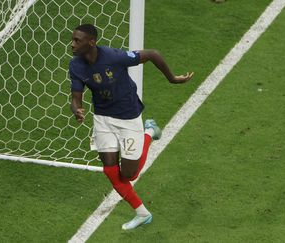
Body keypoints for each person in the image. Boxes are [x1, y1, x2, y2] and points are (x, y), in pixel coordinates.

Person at [69, 24, 193, 230]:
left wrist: (172, 79)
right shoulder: (76, 66)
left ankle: (149, 132)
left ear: (91, 42)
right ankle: (142, 213)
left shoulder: (114, 57)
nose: (72, 44)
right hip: (103, 119)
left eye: (77, 40)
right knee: (110, 170)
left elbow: (152, 54)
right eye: (73, 39)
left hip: (128, 117)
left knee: (129, 175)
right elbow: (76, 98)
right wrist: (77, 110)